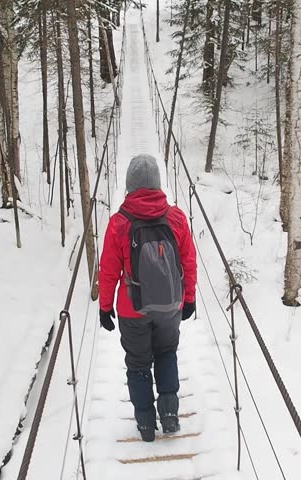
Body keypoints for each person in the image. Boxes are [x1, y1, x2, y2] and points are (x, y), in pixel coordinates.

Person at [98, 154, 197, 442]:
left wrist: (105, 307)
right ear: (157, 183)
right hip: (170, 306)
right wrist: (188, 298)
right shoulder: (176, 217)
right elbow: (188, 262)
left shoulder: (119, 223)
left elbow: (108, 271)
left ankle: (144, 424)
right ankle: (169, 414)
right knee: (166, 353)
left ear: (129, 185)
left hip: (132, 310)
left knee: (138, 364)